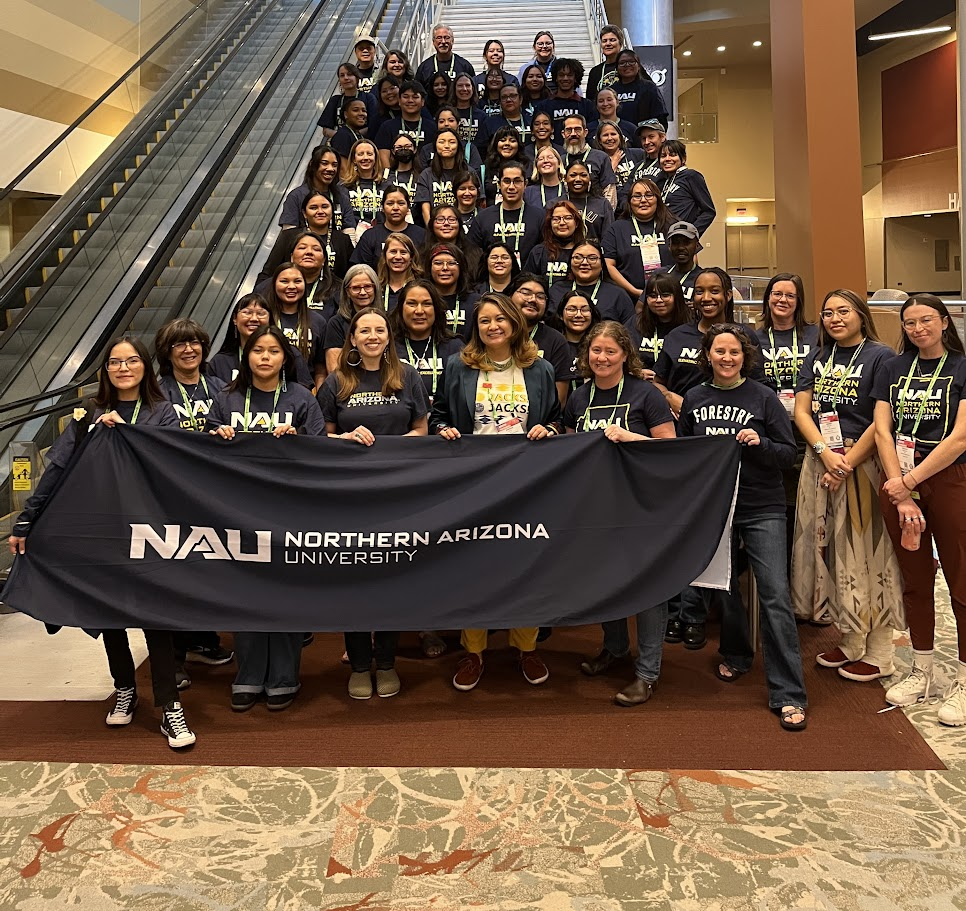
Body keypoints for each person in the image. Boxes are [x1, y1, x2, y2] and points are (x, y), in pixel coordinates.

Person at [10, 337, 197, 749]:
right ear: (105, 370)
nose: (123, 367)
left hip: (150, 533)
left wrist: (125, 436)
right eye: (115, 361)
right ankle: (124, 687)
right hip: (101, 530)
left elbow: (175, 467)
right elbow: (59, 465)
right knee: (109, 612)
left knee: (156, 618)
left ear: (146, 367)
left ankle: (169, 705)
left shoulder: (162, 412)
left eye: (132, 360)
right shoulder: (88, 413)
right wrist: (27, 519)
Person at [678, 323, 808, 731]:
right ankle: (736, 655)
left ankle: (788, 692)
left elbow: (789, 455)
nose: (727, 358)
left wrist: (762, 443)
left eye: (734, 352)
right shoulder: (695, 399)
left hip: (761, 506)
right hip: (717, 510)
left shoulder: (763, 397)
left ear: (744, 356)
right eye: (720, 351)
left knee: (774, 596)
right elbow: (685, 453)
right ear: (708, 355)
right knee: (725, 587)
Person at [430, 291, 562, 691]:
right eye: (485, 320)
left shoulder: (539, 369)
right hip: (474, 483)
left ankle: (527, 646)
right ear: (477, 327)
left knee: (527, 567)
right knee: (475, 568)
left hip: (526, 484)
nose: (493, 326)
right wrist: (443, 429)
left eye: (500, 319)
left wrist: (549, 430)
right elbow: (438, 414)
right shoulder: (458, 366)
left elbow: (556, 419)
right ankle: (474, 652)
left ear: (514, 323)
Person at [206, 326, 324, 712]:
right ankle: (249, 675)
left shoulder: (302, 399)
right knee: (245, 594)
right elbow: (198, 458)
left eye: (274, 351)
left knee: (286, 594)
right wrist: (215, 436)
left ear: (284, 358)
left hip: (291, 512)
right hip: (237, 512)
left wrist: (299, 437)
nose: (265, 358)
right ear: (247, 356)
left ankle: (284, 676)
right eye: (258, 351)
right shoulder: (226, 399)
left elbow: (323, 453)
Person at [317, 307, 429, 699]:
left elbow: (421, 429)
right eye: (363, 330)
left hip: (398, 493)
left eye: (379, 329)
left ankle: (387, 662)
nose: (372, 335)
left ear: (388, 337)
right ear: (353, 338)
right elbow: (321, 438)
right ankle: (360, 663)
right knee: (356, 576)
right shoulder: (336, 381)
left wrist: (391, 447)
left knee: (393, 576)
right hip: (351, 496)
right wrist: (347, 441)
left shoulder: (407, 377)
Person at [792, 289, 902, 682]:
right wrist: (824, 453)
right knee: (833, 553)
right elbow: (802, 411)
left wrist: (846, 464)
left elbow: (882, 420)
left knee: (869, 553)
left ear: (861, 314)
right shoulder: (818, 356)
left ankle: (879, 652)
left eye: (843, 311)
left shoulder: (881, 356)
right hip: (822, 460)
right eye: (827, 313)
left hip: (862, 462)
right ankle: (852, 638)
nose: (835, 318)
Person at [566, 321, 676, 704]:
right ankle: (614, 649)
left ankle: (648, 672)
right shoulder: (579, 397)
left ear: (625, 355)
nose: (602, 358)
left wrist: (632, 438)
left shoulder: (646, 394)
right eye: (596, 351)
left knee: (648, 587)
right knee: (604, 582)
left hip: (641, 505)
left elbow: (669, 447)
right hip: (596, 506)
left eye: (610, 351)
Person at [873, 294, 966, 725]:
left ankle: (964, 681)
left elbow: (961, 438)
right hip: (900, 483)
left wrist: (909, 481)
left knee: (960, 579)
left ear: (945, 322)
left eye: (926, 320)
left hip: (949, 480)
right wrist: (902, 490)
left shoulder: (962, 369)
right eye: (909, 322)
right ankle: (922, 669)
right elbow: (882, 429)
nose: (917, 328)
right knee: (914, 579)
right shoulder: (893, 369)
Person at [153, 318, 233, 689]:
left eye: (195, 343)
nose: (189, 350)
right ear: (166, 353)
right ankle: (176, 658)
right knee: (175, 571)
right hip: (171, 493)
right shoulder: (156, 390)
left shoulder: (221, 387)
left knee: (211, 567)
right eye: (179, 345)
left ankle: (204, 639)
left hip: (214, 492)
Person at [653, 266, 765, 419]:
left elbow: (760, 386)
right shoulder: (677, 336)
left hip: (733, 425)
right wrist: (668, 397)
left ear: (728, 295)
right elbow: (656, 382)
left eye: (714, 291)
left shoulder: (745, 336)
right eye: (699, 292)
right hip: (683, 425)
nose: (706, 298)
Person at [390, 278, 464, 402]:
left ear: (436, 309)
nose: (419, 311)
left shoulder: (455, 347)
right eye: (412, 303)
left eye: (427, 304)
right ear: (401, 308)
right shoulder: (388, 347)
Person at [209, 294, 308, 386]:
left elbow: (303, 395)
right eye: (247, 312)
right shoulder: (219, 362)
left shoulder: (290, 354)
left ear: (270, 319)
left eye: (261, 313)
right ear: (235, 318)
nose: (254, 318)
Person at [603, 177, 675, 301]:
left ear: (657, 199)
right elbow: (609, 265)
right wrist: (636, 292)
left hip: (670, 298)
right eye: (637, 196)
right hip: (629, 298)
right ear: (629, 201)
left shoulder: (672, 225)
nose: (643, 200)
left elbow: (691, 258)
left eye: (649, 195)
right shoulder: (616, 228)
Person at [510, 272, 571, 404]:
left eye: (540, 296)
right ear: (509, 296)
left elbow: (559, 400)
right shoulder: (497, 334)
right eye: (526, 293)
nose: (533, 299)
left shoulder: (556, 341)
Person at [468, 161, 544, 265]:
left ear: (525, 184)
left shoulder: (539, 217)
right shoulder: (483, 218)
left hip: (529, 279)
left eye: (517, 181)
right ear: (499, 184)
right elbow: (472, 255)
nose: (511, 187)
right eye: (507, 181)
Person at [266, 262, 327, 389]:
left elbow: (320, 366)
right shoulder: (265, 319)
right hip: (267, 387)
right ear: (274, 284)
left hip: (304, 390)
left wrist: (318, 394)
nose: (291, 286)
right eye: (284, 281)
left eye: (297, 281)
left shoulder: (318, 321)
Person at [548, 239, 635, 323]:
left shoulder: (617, 295)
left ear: (602, 264)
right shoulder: (556, 290)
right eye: (578, 257)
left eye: (592, 258)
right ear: (570, 263)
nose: (584, 262)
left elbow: (630, 331)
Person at [624, 270, 691, 377]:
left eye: (665, 295)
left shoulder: (691, 325)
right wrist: (635, 372)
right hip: (640, 384)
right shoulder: (635, 322)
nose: (658, 300)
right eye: (653, 296)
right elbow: (619, 356)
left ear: (677, 297)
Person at [280, 145, 357, 234]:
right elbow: (288, 234)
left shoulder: (342, 194)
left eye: (334, 165)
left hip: (337, 246)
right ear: (312, 164)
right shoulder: (296, 196)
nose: (330, 169)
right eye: (324, 163)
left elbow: (349, 231)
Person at [324, 265, 383, 373]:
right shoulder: (336, 323)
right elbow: (334, 369)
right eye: (356, 288)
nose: (363, 292)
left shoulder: (387, 320)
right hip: (349, 385)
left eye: (368, 287)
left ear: (375, 288)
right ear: (347, 292)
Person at [351, 186, 425, 268]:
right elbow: (360, 269)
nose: (395, 208)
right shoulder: (370, 236)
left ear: (408, 207)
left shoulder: (421, 235)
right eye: (390, 203)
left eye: (401, 203)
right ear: (382, 208)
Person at [657, 139, 716, 236]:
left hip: (681, 240)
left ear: (683, 158)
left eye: (672, 155)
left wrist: (691, 234)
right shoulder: (660, 181)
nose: (667, 159)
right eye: (663, 156)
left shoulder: (691, 176)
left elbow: (709, 211)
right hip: (662, 238)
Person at [523, 199, 586, 289]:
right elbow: (526, 283)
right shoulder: (538, 252)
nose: (561, 223)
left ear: (576, 223)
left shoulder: (586, 252)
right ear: (550, 224)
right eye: (556, 219)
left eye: (567, 218)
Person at [374, 80, 437, 169]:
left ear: (422, 101)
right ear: (399, 101)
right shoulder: (387, 127)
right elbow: (383, 158)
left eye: (415, 97)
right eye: (406, 97)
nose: (410, 101)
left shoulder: (432, 127)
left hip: (426, 177)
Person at [415, 129, 470, 225]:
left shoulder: (468, 172)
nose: (447, 146)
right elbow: (425, 210)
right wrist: (432, 231)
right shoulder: (426, 175)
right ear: (435, 146)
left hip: (464, 225)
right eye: (441, 142)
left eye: (452, 142)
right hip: (435, 226)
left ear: (458, 146)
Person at [561, 114, 617, 205]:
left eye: (578, 129)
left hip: (595, 215)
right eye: (569, 130)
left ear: (585, 132)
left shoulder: (601, 157)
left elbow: (610, 192)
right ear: (563, 134)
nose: (573, 134)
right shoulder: (560, 160)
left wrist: (605, 215)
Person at [427, 241, 479, 337]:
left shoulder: (476, 302)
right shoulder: (422, 302)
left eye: (451, 263)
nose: (445, 268)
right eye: (438, 263)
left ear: (461, 268)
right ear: (429, 268)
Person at [553, 289, 601, 394]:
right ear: (561, 315)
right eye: (571, 309)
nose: (579, 315)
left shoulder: (600, 347)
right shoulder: (553, 345)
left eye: (585, 310)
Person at [537, 60, 594, 142]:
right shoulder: (544, 106)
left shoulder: (587, 105)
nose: (565, 78)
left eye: (570, 75)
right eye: (561, 75)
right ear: (556, 78)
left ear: (575, 78)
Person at [422, 204, 482, 276]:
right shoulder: (421, 254)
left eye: (452, 220)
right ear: (432, 225)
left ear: (459, 224)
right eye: (440, 219)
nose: (446, 223)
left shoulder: (475, 254)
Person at [614, 50, 669, 127]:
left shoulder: (649, 87)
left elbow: (660, 117)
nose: (627, 65)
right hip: (615, 136)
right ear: (617, 67)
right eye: (622, 63)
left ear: (639, 66)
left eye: (632, 61)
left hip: (642, 136)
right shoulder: (611, 90)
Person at [318, 63, 373, 137]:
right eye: (342, 75)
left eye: (349, 74)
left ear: (357, 78)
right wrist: (343, 137)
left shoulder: (368, 98)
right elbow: (326, 130)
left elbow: (374, 125)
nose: (346, 78)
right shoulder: (334, 100)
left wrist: (353, 136)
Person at [340, 139, 383, 234]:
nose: (365, 157)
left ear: (375, 158)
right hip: (353, 236)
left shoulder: (386, 185)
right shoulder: (343, 187)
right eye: (360, 154)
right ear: (354, 159)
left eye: (369, 154)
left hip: (381, 236)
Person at [563, 160, 613, 240]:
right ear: (565, 179)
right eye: (573, 175)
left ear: (589, 179)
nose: (578, 179)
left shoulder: (603, 204)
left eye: (583, 175)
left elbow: (608, 239)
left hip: (594, 251)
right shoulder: (555, 204)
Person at [476, 83, 532, 153]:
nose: (508, 100)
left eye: (513, 96)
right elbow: (481, 149)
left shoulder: (531, 120)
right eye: (504, 97)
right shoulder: (490, 123)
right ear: (500, 102)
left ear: (520, 99)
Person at [481, 126, 528, 207]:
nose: (507, 144)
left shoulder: (527, 167)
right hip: (491, 215)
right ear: (496, 144)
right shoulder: (486, 169)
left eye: (512, 141)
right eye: (502, 140)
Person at [376, 231, 424, 310]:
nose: (398, 257)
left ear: (411, 257)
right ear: (385, 256)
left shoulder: (420, 287)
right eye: (393, 252)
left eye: (403, 252)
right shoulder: (376, 288)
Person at [595, 120, 644, 186]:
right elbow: (598, 187)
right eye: (605, 135)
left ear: (620, 137)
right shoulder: (596, 160)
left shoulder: (638, 154)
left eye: (613, 134)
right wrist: (612, 166)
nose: (609, 138)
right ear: (599, 140)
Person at [664, 220, 700, 306]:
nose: (680, 247)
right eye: (676, 243)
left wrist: (700, 308)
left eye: (686, 242)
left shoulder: (704, 278)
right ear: (669, 247)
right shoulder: (660, 274)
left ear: (697, 246)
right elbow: (640, 308)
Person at [587, 26, 625, 100]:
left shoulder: (630, 67)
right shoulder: (595, 72)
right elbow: (590, 100)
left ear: (620, 44)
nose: (608, 44)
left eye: (612, 40)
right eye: (604, 41)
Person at [379, 134, 419, 202]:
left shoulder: (423, 176)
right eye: (399, 147)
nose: (403, 149)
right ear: (393, 151)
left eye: (408, 146)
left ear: (415, 149)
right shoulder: (385, 176)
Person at [329, 97, 370, 161]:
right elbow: (343, 167)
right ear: (345, 114)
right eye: (355, 110)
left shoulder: (358, 135)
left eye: (364, 111)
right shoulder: (342, 136)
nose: (361, 113)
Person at [368, 74, 401, 140]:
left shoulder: (413, 112)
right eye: (384, 91)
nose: (388, 93)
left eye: (392, 88)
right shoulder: (377, 119)